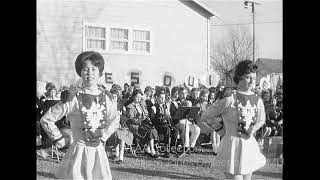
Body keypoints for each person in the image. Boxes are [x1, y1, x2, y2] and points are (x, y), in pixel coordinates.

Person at [40, 51, 119, 179]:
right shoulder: (73, 98)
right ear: (80, 72)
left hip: (99, 153)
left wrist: (104, 136)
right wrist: (59, 139)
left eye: (94, 69)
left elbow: (115, 119)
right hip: (78, 152)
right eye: (85, 69)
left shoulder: (106, 98)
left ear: (100, 72)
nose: (89, 73)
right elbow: (47, 119)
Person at [201, 60, 266, 180]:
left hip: (249, 146)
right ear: (239, 78)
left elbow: (261, 120)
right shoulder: (229, 97)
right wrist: (221, 130)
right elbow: (206, 116)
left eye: (254, 77)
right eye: (248, 77)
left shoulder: (257, 99)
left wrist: (250, 130)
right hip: (232, 147)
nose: (252, 81)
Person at [126, 89, 159, 158]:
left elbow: (146, 113)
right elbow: (131, 119)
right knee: (149, 131)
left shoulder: (141, 105)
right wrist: (140, 118)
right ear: (133, 97)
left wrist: (144, 115)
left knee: (153, 129)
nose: (139, 99)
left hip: (142, 123)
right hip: (134, 125)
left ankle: (149, 148)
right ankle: (152, 150)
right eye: (137, 97)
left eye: (140, 97)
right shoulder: (130, 107)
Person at [149, 87, 179, 158]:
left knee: (175, 131)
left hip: (165, 125)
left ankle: (172, 149)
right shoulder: (154, 107)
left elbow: (168, 117)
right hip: (158, 126)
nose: (163, 100)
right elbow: (153, 120)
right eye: (161, 98)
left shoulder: (164, 106)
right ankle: (166, 150)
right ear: (156, 98)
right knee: (167, 130)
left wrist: (168, 116)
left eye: (163, 98)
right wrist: (162, 119)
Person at [107, 84, 133, 163]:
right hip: (110, 128)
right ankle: (117, 153)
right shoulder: (108, 105)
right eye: (114, 95)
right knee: (119, 133)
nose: (116, 97)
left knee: (123, 134)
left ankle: (120, 156)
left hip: (119, 126)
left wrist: (124, 113)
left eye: (118, 95)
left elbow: (125, 116)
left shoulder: (120, 105)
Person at [172, 86, 200, 156]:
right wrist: (180, 109)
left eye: (185, 93)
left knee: (197, 129)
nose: (184, 95)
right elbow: (173, 117)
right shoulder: (174, 103)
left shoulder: (188, 102)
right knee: (186, 126)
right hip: (178, 122)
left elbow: (191, 115)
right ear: (178, 94)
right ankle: (185, 146)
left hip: (187, 121)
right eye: (182, 93)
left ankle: (190, 147)